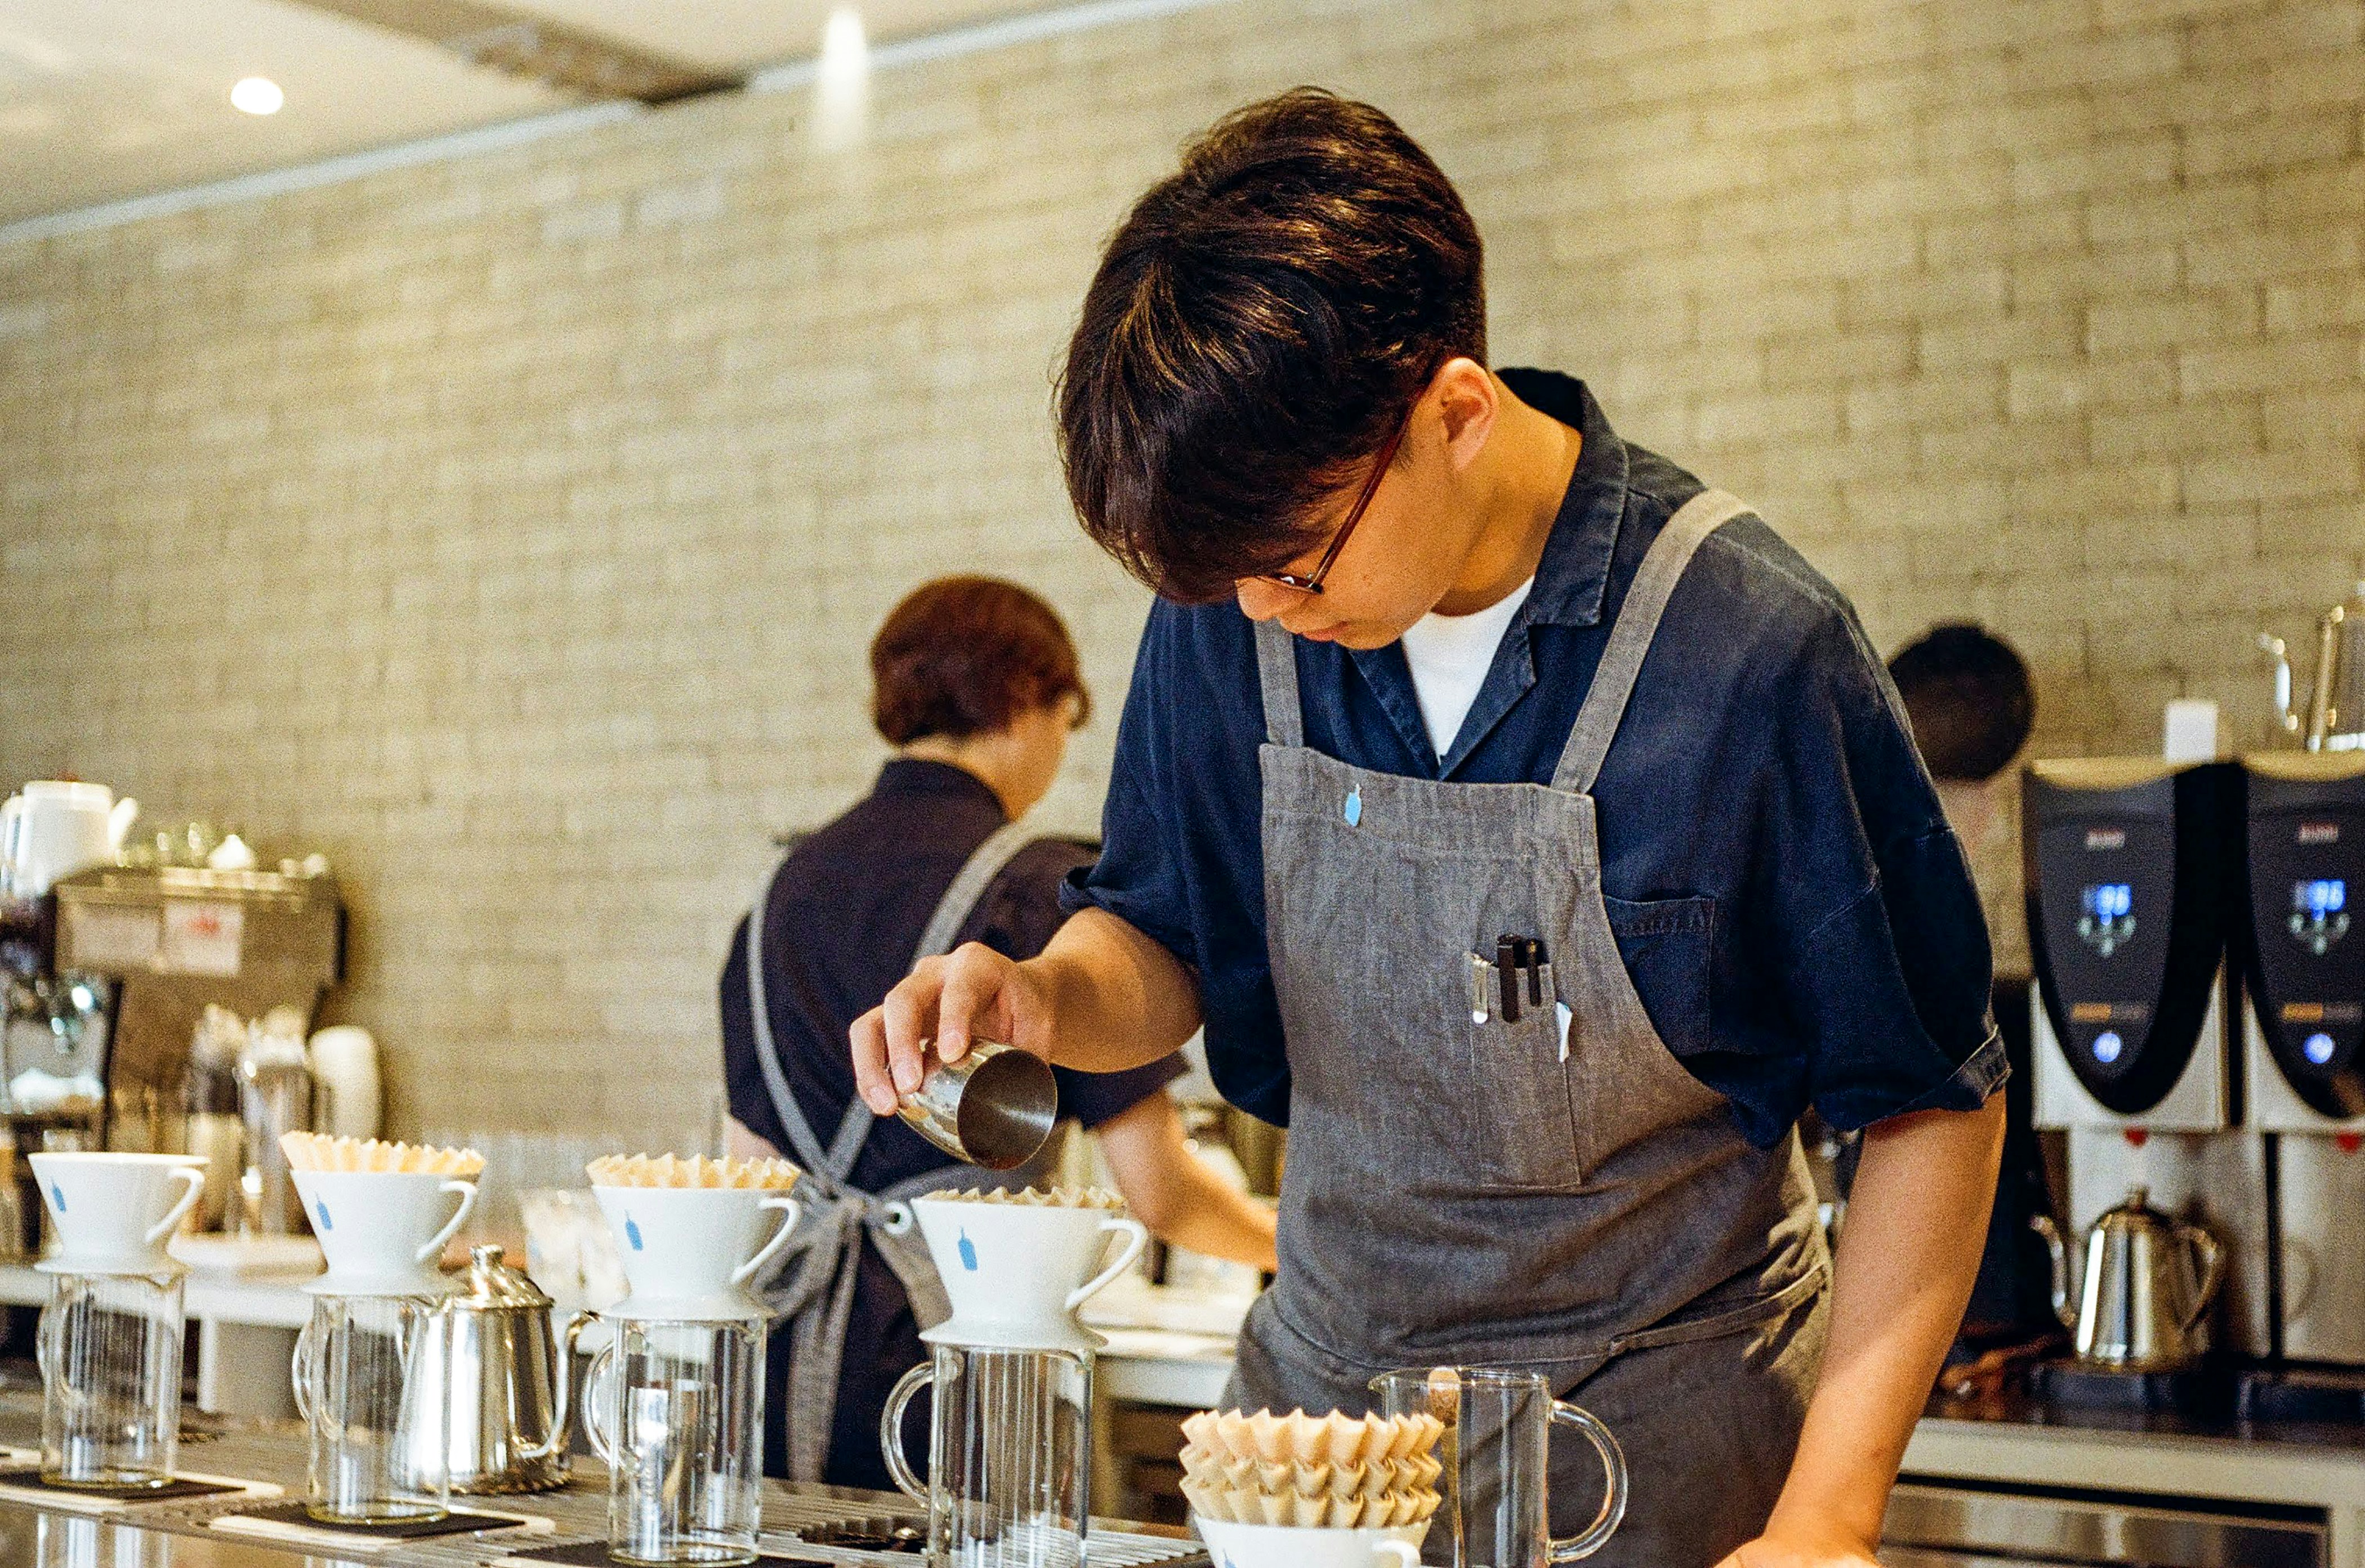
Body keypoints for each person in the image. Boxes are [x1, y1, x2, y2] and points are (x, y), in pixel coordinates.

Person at [856, 93, 2008, 1568]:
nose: (1262, 612)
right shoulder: (1235, 611)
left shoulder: (1746, 650)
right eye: (1227, 583)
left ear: (1455, 415)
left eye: (1297, 564)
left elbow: (1927, 1103)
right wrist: (1043, 995)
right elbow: (1160, 932)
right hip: (1318, 1453)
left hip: (1654, 1464)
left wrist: (1829, 1520)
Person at [721, 575, 1277, 1490]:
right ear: (1027, 699)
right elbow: (1163, 1193)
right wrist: (1295, 1247)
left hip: (780, 1368)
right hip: (963, 1357)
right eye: (1067, 720)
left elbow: (750, 1174)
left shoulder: (777, 896)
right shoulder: (1041, 888)